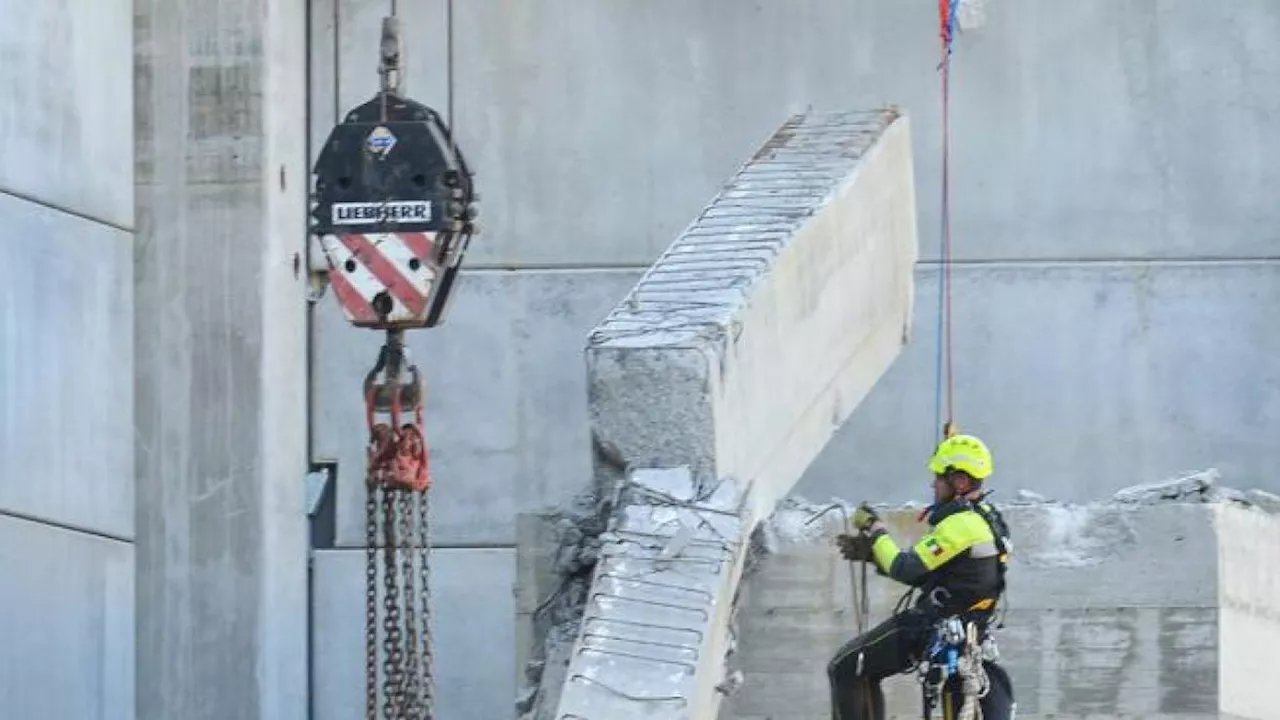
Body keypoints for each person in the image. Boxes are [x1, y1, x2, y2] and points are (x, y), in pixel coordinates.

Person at [826, 432, 1017, 720]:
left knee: (847, 667)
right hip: (968, 629)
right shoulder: (987, 517)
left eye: (940, 477)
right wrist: (873, 555)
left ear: (960, 482)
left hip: (933, 626)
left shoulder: (961, 526)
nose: (933, 484)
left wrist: (877, 531)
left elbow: (904, 567)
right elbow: (941, 573)